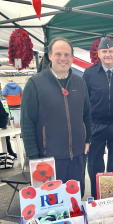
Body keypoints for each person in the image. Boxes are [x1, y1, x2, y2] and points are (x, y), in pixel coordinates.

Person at [21, 37, 91, 198]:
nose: (63, 58)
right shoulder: (35, 84)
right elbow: (27, 123)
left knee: (75, 202)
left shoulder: (80, 83)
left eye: (67, 55)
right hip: (48, 160)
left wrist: (88, 140)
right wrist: (33, 157)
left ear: (72, 58)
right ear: (50, 56)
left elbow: (87, 114)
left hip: (77, 158)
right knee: (52, 207)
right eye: (58, 54)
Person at [83, 37, 113, 199]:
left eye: (110, 51)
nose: (107, 54)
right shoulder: (89, 74)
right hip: (95, 125)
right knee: (95, 163)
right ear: (99, 54)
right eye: (104, 51)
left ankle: (112, 196)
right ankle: (97, 197)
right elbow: (84, 101)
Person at [0, 81, 17, 158]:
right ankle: (10, 151)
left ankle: (8, 151)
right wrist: (6, 115)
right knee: (2, 136)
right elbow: (0, 109)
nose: (1, 89)